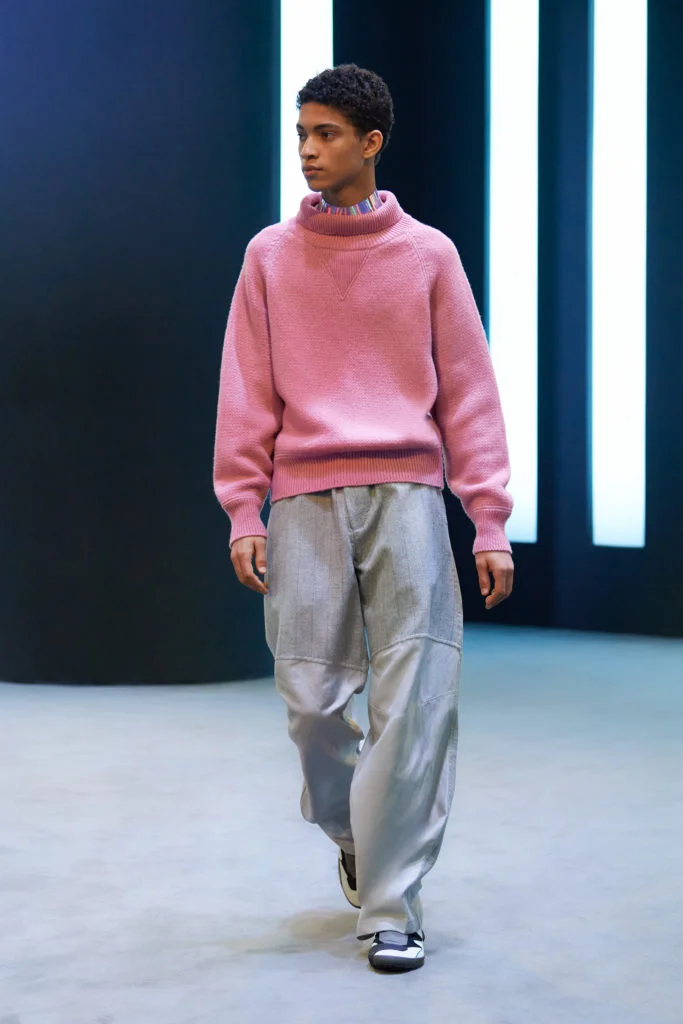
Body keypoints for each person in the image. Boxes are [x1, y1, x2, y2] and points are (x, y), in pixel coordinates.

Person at [213, 63, 514, 973]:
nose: (307, 151)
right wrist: (242, 508)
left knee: (414, 701)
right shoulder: (269, 255)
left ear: (371, 142)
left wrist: (488, 519)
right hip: (303, 498)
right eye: (300, 134)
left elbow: (469, 394)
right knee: (311, 705)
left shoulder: (428, 255)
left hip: (409, 495)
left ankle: (389, 905)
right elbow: (245, 389)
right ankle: (356, 835)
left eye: (326, 134)